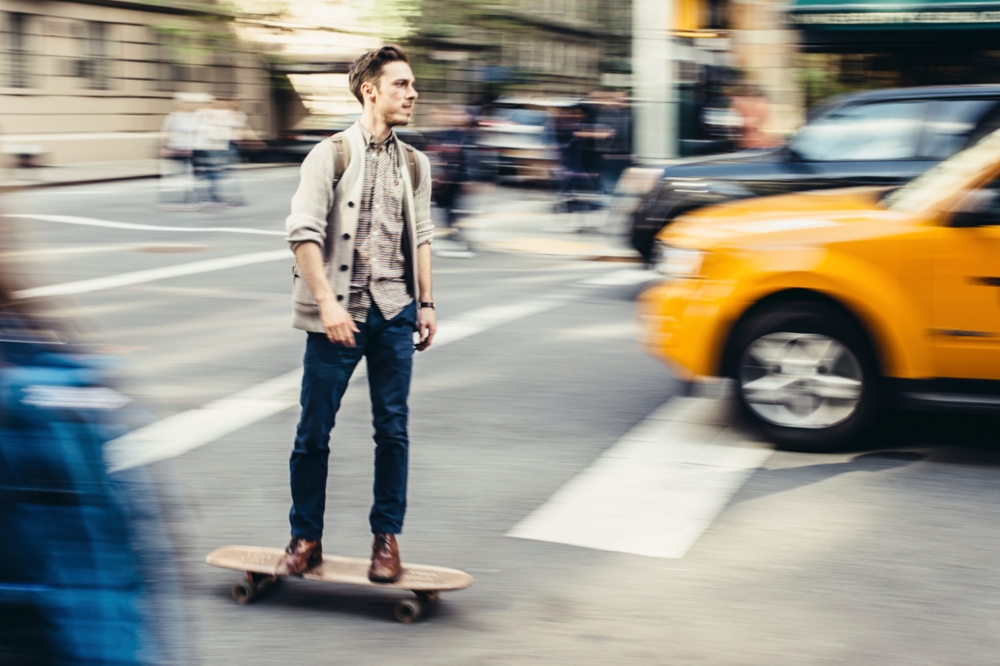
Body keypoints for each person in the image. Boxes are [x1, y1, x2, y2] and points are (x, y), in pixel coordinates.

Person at [279, 45, 436, 583]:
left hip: (395, 313)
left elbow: (423, 238)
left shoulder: (416, 163)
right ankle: (306, 538)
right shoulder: (330, 155)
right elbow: (302, 233)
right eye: (401, 84)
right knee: (313, 431)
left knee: (392, 430)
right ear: (370, 90)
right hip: (338, 317)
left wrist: (428, 303)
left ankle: (385, 540)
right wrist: (327, 304)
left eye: (412, 85)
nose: (412, 94)